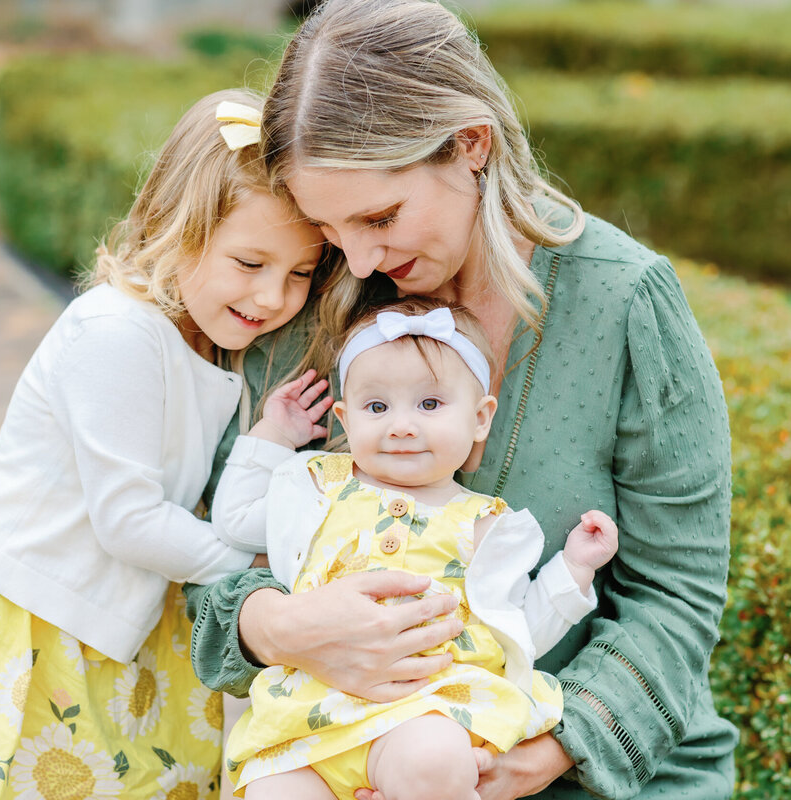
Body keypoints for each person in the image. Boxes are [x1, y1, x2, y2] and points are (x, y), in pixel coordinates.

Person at [185, 1, 740, 798]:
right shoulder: (313, 288)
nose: (361, 255)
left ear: (470, 144)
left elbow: (676, 596)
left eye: (381, 215)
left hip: (581, 772)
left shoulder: (623, 301)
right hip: (340, 760)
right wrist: (279, 627)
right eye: (330, 227)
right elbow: (212, 545)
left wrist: (544, 750)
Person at [0, 88, 328, 800]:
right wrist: (258, 575)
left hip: (125, 629)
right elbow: (128, 519)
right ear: (179, 228)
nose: (275, 296)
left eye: (299, 273)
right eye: (250, 263)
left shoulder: (216, 353)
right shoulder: (114, 331)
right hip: (33, 622)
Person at [212, 299, 619, 800]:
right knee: (272, 792)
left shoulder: (487, 524)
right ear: (345, 418)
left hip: (425, 707)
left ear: (479, 418)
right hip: (309, 717)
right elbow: (234, 520)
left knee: (434, 761)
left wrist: (573, 570)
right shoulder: (317, 486)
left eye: (429, 405)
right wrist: (276, 433)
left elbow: (518, 631)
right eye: (377, 407)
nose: (401, 425)